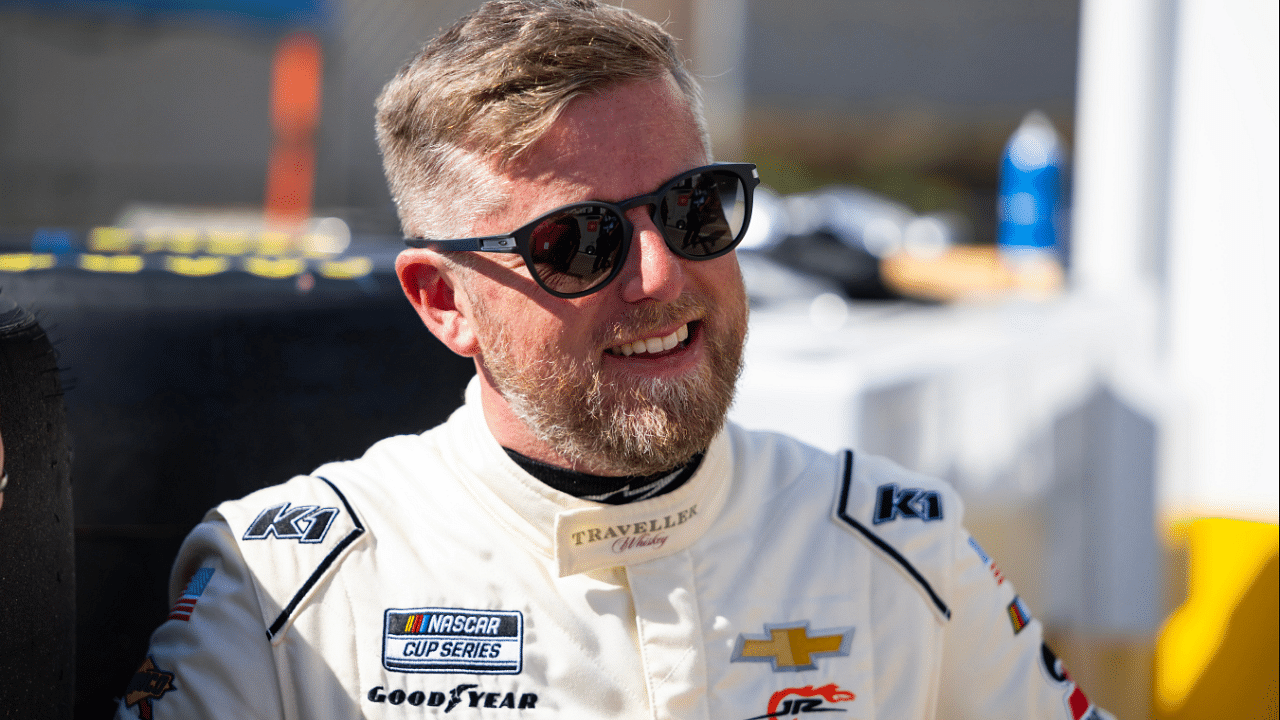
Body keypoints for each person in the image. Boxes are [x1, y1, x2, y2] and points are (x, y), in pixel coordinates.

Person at [116, 1, 1114, 718]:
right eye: (577, 244)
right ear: (441, 301)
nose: (661, 276)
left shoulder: (899, 548)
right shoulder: (287, 582)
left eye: (694, 209)